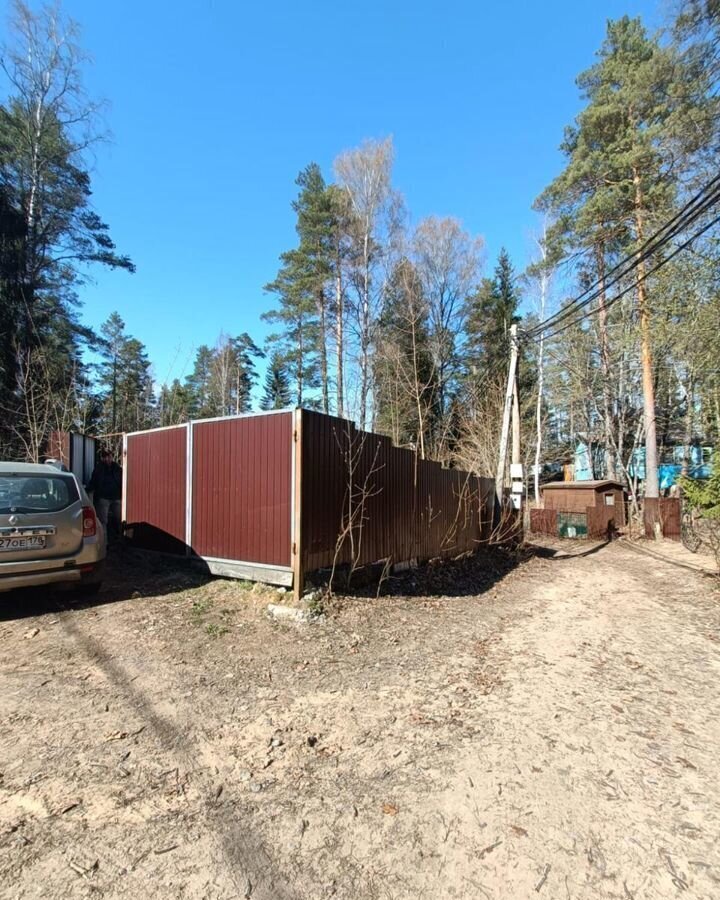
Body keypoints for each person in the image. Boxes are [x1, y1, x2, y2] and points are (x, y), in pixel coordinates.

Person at [87, 449, 123, 539]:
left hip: (116, 497)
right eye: (105, 457)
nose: (107, 459)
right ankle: (104, 541)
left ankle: (121, 538)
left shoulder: (117, 468)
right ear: (102, 458)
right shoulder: (99, 468)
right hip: (103, 498)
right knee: (103, 521)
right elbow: (93, 482)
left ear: (111, 457)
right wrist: (90, 492)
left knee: (121, 519)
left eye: (109, 456)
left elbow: (122, 480)